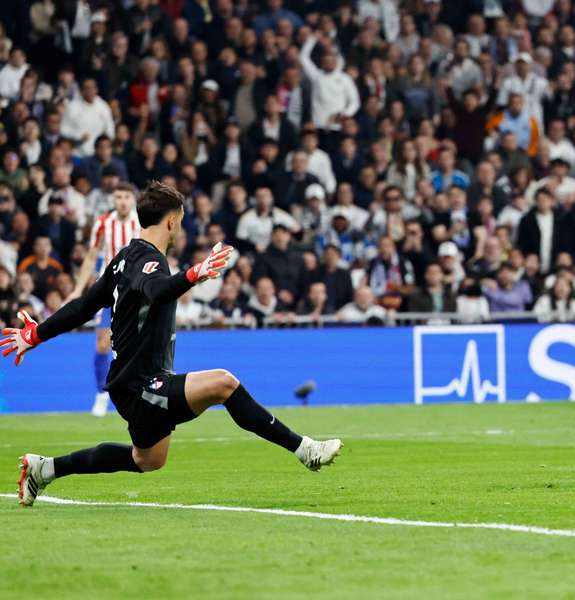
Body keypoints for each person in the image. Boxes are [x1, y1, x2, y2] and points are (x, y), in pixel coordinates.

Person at [6, 181, 342, 508]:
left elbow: (84, 305)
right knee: (225, 384)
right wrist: (194, 274)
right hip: (141, 384)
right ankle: (305, 449)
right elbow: (157, 289)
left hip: (131, 382)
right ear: (171, 220)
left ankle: (44, 468)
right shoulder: (147, 261)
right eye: (179, 221)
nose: (180, 227)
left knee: (148, 459)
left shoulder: (124, 258)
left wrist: (35, 335)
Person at [71, 183, 141, 417]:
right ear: (113, 200)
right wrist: (79, 289)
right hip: (110, 290)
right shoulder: (103, 223)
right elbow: (92, 256)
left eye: (126, 197)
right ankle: (101, 394)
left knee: (137, 344)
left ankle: (140, 392)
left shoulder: (141, 222)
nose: (122, 201)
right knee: (102, 343)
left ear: (133, 200)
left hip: (137, 290)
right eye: (118, 197)